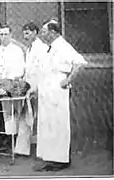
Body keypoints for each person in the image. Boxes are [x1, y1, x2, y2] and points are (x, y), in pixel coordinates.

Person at [33, 19, 87, 171]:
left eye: (44, 31)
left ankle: (60, 160)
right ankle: (51, 158)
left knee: (58, 124)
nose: (42, 34)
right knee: (48, 123)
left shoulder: (63, 46)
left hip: (57, 89)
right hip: (47, 89)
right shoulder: (49, 47)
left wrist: (68, 80)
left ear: (53, 32)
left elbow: (80, 63)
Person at [14, 22, 49, 156]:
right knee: (26, 115)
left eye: (28, 33)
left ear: (35, 32)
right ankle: (22, 149)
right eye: (24, 33)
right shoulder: (29, 49)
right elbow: (28, 69)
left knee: (40, 117)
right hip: (28, 85)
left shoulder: (42, 48)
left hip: (39, 86)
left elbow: (42, 71)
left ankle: (44, 150)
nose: (25, 35)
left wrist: (36, 88)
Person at [0, 24, 25, 139]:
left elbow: (19, 69)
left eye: (6, 34)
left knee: (12, 112)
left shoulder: (17, 50)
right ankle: (4, 137)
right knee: (0, 111)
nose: (3, 36)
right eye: (1, 34)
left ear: (10, 35)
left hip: (11, 85)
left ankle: (13, 137)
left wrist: (9, 81)